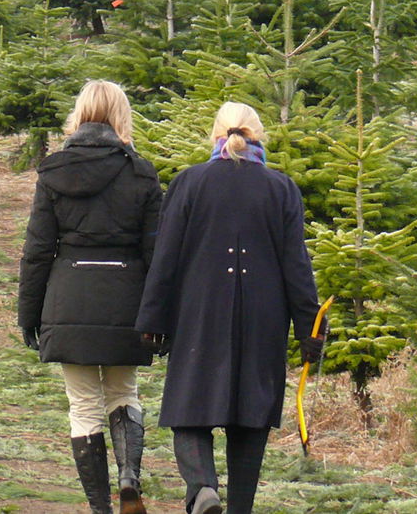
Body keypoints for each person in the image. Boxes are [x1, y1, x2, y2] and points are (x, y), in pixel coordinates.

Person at [136, 102, 324, 514]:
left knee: (189, 411)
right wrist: (311, 329)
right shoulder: (281, 188)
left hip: (200, 312)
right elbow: (297, 266)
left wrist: (153, 321)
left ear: (215, 135)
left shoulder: (189, 182)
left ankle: (203, 487)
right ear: (260, 137)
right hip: (263, 317)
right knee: (251, 419)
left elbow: (165, 257)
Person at [18, 81, 163, 514]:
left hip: (70, 298)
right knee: (124, 391)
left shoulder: (54, 172)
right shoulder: (141, 173)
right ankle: (129, 478)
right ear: (123, 116)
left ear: (78, 115)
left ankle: (101, 507)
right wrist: (162, 314)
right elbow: (157, 252)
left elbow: (38, 250)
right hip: (127, 299)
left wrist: (29, 315)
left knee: (83, 406)